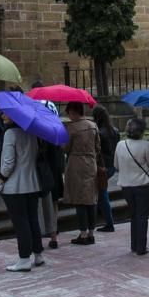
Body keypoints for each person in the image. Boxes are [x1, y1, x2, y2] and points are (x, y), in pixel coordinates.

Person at [0, 110, 44, 272]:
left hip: (15, 185)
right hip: (32, 182)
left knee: (21, 222)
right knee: (32, 219)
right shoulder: (32, 132)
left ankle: (24, 258)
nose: (2, 116)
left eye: (5, 113)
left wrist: (1, 179)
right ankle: (38, 254)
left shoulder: (10, 134)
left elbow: (8, 162)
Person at [115, 117, 149, 256]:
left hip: (126, 185)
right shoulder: (146, 144)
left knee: (133, 215)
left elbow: (116, 165)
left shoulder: (120, 145)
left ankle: (134, 245)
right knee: (142, 216)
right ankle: (141, 247)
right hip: (142, 185)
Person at [63, 101, 101, 245]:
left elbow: (65, 148)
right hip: (91, 163)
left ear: (73, 112)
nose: (69, 116)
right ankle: (91, 233)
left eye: (69, 113)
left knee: (80, 200)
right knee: (91, 199)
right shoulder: (93, 125)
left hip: (76, 165)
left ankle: (83, 234)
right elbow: (98, 146)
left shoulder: (71, 127)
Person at [36, 102, 64, 250]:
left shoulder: (38, 131)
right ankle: (54, 236)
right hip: (55, 172)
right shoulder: (56, 130)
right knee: (54, 204)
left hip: (43, 173)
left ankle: (41, 236)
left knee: (41, 205)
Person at [92, 104, 120, 232]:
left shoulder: (99, 132)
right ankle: (104, 220)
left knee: (102, 194)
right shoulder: (114, 130)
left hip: (102, 167)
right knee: (101, 193)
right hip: (112, 166)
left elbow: (96, 151)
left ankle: (109, 223)